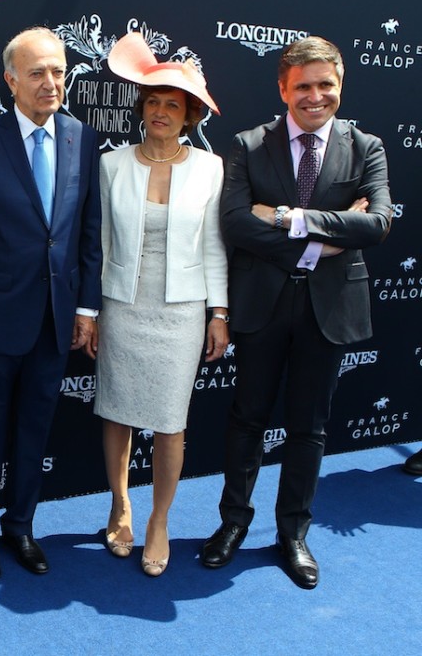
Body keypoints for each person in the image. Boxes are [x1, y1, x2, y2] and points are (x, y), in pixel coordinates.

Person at [202, 36, 392, 589]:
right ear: (283, 88)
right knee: (246, 420)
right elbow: (235, 222)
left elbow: (376, 224)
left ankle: (293, 534)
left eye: (325, 85)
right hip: (262, 303)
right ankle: (233, 523)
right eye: (303, 85)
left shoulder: (366, 147)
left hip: (328, 308)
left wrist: (288, 218)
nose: (315, 96)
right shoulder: (248, 144)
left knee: (309, 427)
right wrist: (329, 233)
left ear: (340, 87)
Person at [0, 26, 101, 580]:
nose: (50, 82)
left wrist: (87, 310)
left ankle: (21, 527)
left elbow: (87, 234)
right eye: (37, 72)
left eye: (59, 70)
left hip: (57, 319)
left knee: (36, 429)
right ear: (10, 80)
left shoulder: (81, 138)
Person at [93, 32, 229, 577]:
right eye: (153, 102)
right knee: (118, 411)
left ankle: (159, 520)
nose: (161, 112)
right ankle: (120, 503)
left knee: (171, 423)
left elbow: (215, 246)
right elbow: (99, 244)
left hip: (180, 313)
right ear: (141, 109)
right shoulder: (111, 166)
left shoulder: (211, 169)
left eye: (173, 104)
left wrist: (218, 313)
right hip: (120, 305)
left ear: (190, 114)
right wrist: (91, 312)